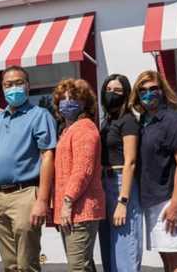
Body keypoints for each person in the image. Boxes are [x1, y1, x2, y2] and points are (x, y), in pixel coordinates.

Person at [0, 65, 58, 272]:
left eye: (19, 83)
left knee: (27, 263)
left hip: (25, 194)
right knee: (10, 265)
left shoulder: (39, 115)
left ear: (28, 87)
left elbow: (47, 156)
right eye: (8, 84)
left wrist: (42, 200)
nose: (13, 88)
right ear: (2, 88)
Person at [133, 70, 177, 272]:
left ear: (162, 90)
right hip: (153, 199)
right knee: (167, 259)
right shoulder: (142, 123)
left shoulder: (174, 119)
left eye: (153, 89)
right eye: (142, 90)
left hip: (171, 197)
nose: (148, 94)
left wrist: (176, 205)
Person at [52, 78, 105, 272]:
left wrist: (67, 202)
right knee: (84, 265)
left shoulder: (84, 129)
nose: (67, 102)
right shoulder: (68, 130)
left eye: (73, 97)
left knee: (77, 267)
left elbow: (83, 170)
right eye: (63, 99)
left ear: (85, 102)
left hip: (80, 209)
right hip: (72, 210)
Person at [97, 74, 143, 272]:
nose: (112, 94)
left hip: (120, 184)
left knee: (124, 249)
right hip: (104, 184)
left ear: (125, 94)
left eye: (117, 90)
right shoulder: (106, 122)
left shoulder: (128, 121)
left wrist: (123, 202)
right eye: (108, 90)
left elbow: (130, 162)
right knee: (108, 251)